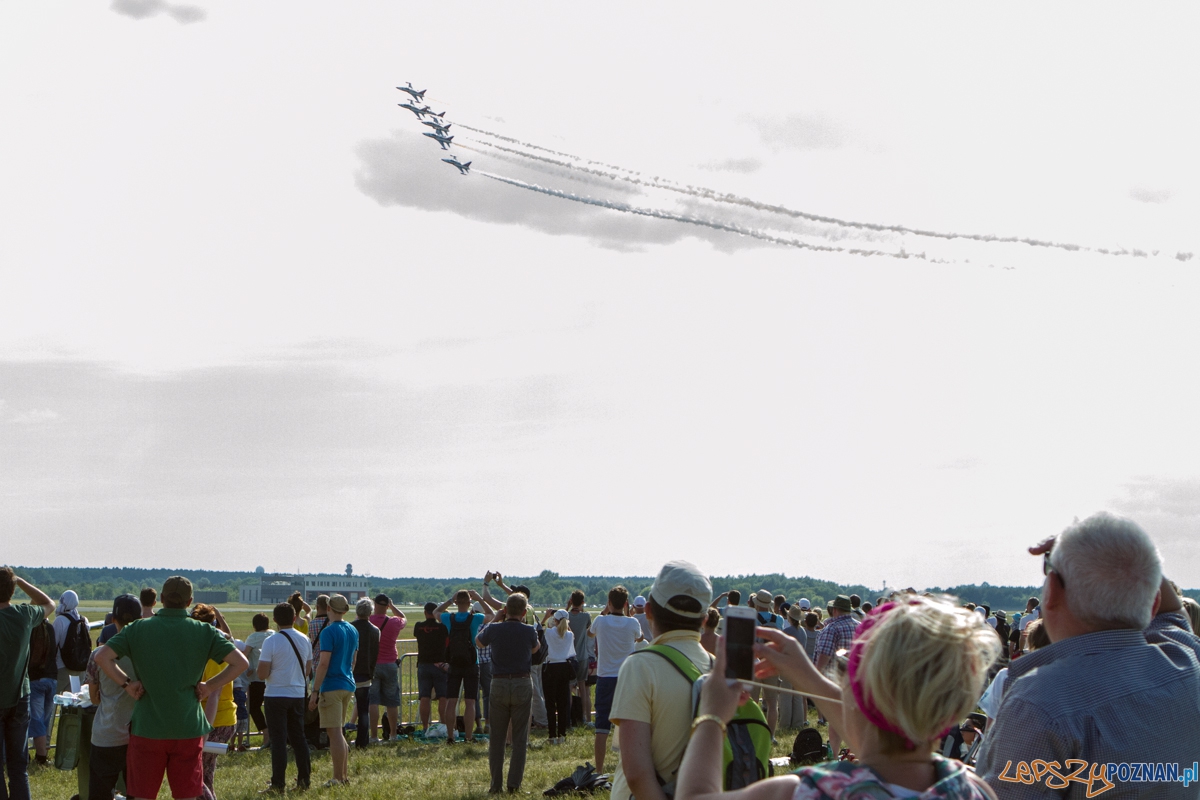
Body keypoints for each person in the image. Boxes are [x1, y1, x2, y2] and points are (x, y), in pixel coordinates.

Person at [673, 595, 1001, 800]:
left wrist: (712, 716)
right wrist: (806, 675)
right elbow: (882, 725)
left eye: (845, 663)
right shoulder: (975, 790)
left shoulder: (803, 792)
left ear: (858, 691)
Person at [976, 513, 1200, 798]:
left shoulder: (1038, 703)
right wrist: (1125, 555)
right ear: (1153, 600)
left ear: (1052, 591)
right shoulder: (1183, 662)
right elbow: (1172, 613)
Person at [95, 576, 248, 800]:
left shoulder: (138, 628)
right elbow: (241, 663)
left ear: (162, 599)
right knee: (186, 795)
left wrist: (127, 684)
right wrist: (209, 686)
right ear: (189, 602)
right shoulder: (205, 631)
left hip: (148, 726)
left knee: (143, 795)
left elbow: (102, 657)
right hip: (187, 727)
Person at [609, 560, 713, 800]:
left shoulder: (640, 666)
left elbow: (636, 773)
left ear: (648, 611)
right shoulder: (718, 668)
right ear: (705, 619)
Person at [476, 593, 539, 794]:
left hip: (499, 683)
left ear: (505, 610)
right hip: (522, 681)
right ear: (523, 612)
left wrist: (495, 618)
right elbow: (536, 649)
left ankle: (495, 785)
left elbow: (479, 642)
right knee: (520, 737)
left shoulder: (494, 628)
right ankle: (514, 785)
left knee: (497, 737)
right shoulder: (529, 630)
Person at [0, 568, 54, 800]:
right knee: (18, 767)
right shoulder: (24, 615)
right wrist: (20, 581)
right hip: (20, 697)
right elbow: (49, 603)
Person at [85, 594, 141, 800]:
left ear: (113, 620)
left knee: (99, 792)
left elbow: (94, 697)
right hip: (138, 734)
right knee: (136, 792)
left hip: (106, 734)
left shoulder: (98, 655)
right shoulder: (144, 654)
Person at [588, 585, 645, 773]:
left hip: (605, 677)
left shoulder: (601, 622)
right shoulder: (632, 623)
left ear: (609, 602)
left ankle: (599, 770)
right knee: (630, 725)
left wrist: (605, 610)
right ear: (626, 604)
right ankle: (629, 767)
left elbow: (590, 633)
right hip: (626, 678)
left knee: (601, 727)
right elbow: (640, 638)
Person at [257, 601, 313, 793]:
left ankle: (278, 783)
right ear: (294, 618)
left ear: (274, 620)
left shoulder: (271, 641)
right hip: (297, 693)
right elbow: (307, 669)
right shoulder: (304, 639)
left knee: (279, 740)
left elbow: (262, 673)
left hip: (275, 694)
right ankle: (304, 780)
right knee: (299, 738)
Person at [190, 603, 238, 800]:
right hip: (215, 717)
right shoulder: (219, 646)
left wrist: (205, 733)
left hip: (216, 719)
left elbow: (215, 694)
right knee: (206, 774)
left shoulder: (214, 655)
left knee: (194, 776)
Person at [309, 594, 358, 787]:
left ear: (328, 608)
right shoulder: (352, 629)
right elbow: (353, 660)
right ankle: (343, 776)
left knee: (334, 733)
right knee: (339, 732)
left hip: (331, 686)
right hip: (347, 683)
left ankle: (338, 778)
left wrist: (315, 691)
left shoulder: (328, 632)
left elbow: (323, 664)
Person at [436, 589, 486, 744]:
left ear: (457, 602)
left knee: (452, 700)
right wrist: (480, 598)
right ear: (469, 603)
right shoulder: (475, 618)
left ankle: (450, 736)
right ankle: (468, 737)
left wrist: (450, 600)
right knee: (470, 701)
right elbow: (492, 615)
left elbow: (436, 611)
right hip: (472, 662)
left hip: (454, 663)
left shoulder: (448, 618)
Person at [813, 594, 858, 756]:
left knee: (836, 722)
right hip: (858, 681)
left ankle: (834, 756)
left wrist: (815, 680)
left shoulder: (831, 629)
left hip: (836, 681)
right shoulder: (860, 626)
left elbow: (823, 659)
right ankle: (855, 754)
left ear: (835, 610)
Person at [367, 593, 406, 742]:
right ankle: (393, 734)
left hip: (373, 665)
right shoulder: (394, 622)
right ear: (387, 606)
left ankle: (373, 736)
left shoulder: (368, 621)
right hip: (390, 663)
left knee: (373, 701)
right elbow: (404, 618)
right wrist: (393, 606)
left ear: (374, 604)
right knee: (391, 701)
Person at [412, 601, 450, 733]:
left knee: (424, 696)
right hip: (440, 664)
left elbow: (417, 634)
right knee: (443, 696)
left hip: (423, 664)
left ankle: (425, 727)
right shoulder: (442, 628)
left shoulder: (418, 626)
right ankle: (444, 725)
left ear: (425, 612)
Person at [26, 614, 58, 767]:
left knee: (36, 719)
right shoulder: (50, 628)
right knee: (45, 719)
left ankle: (40, 756)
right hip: (52, 678)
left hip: (35, 679)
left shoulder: (30, 629)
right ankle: (43, 752)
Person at [540, 608, 575, 744]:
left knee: (550, 703)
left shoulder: (549, 633)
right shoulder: (569, 635)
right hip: (564, 667)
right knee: (562, 703)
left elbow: (538, 628)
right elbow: (569, 631)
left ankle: (552, 735)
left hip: (550, 668)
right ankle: (562, 734)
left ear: (555, 620)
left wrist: (545, 616)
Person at [349, 599, 379, 750]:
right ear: (370, 612)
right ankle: (362, 742)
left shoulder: (349, 628)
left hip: (348, 672)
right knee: (363, 710)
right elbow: (374, 654)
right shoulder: (375, 631)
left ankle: (339, 738)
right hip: (365, 673)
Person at [244, 613, 274, 749]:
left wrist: (247, 668)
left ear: (255, 625)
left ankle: (266, 732)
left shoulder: (253, 637)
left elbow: (244, 655)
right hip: (273, 678)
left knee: (254, 707)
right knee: (270, 708)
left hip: (257, 678)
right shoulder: (274, 634)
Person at [777, 603, 809, 730]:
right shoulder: (803, 632)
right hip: (800, 667)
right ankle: (797, 723)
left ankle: (785, 723)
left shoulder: (787, 632)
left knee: (785, 695)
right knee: (797, 697)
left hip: (787, 666)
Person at [53, 589, 91, 692]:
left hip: (62, 666)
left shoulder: (59, 620)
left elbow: (53, 644)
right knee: (73, 700)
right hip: (80, 667)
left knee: (53, 699)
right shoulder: (84, 620)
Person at [567, 590, 593, 728]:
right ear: (582, 602)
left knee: (569, 687)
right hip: (582, 656)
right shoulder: (586, 616)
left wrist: (566, 607)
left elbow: (558, 620)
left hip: (569, 657)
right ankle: (584, 716)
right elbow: (589, 627)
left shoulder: (566, 616)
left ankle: (569, 717)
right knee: (583, 687)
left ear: (571, 601)